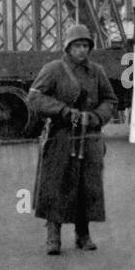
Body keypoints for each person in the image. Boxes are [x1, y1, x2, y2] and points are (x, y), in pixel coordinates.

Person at [27, 24, 118, 255]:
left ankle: (83, 234)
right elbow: (35, 97)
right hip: (62, 134)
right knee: (56, 185)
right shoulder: (54, 69)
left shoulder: (96, 71)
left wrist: (97, 116)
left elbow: (110, 100)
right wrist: (63, 111)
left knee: (87, 186)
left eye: (85, 45)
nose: (82, 50)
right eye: (77, 45)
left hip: (88, 134)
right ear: (68, 47)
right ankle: (53, 235)